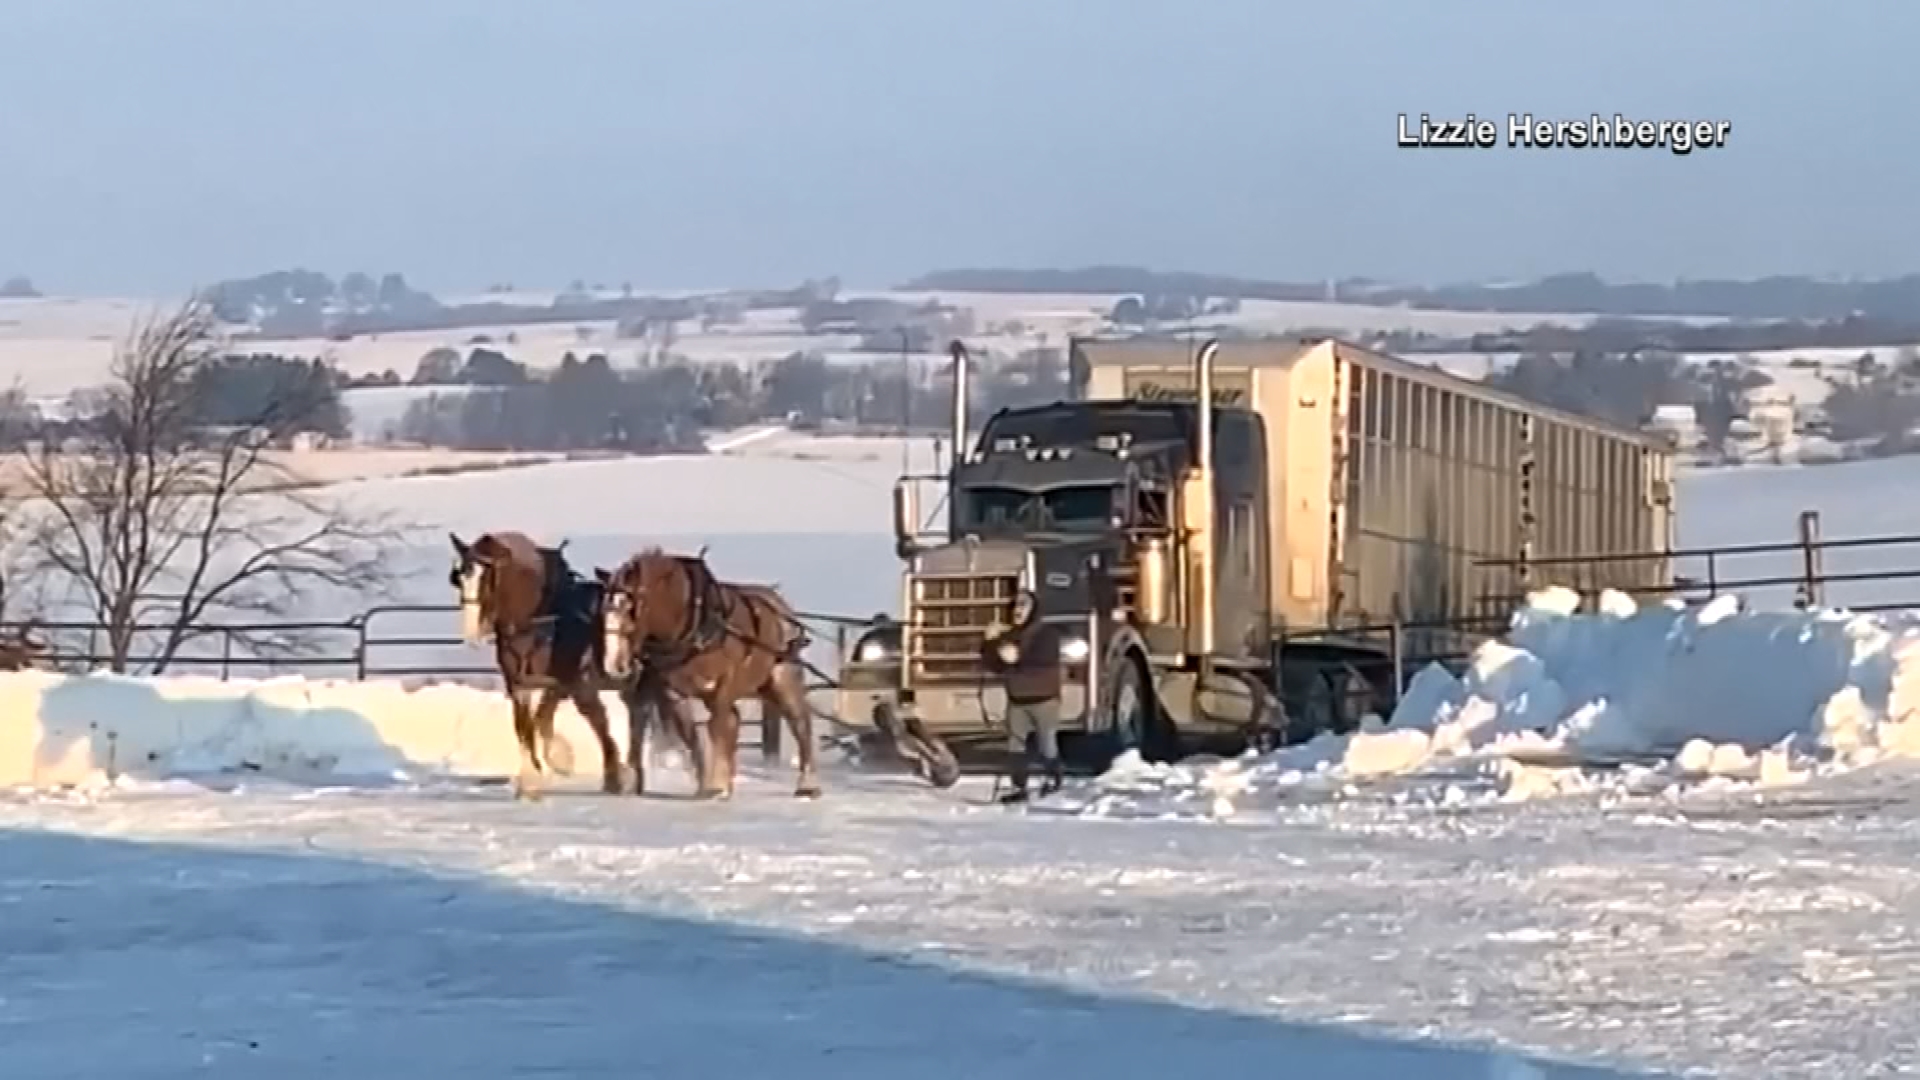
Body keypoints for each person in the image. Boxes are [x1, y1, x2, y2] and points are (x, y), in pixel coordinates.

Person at [981, 588, 1065, 803]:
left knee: (1047, 743)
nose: (1018, 610)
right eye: (1015, 605)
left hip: (1044, 699)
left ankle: (1053, 780)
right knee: (1015, 747)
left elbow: (1043, 659)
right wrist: (990, 643)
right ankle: (1019, 787)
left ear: (1033, 609)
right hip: (1017, 699)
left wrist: (1017, 657)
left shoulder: (1047, 633)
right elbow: (995, 665)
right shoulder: (1008, 636)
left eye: (1023, 605)